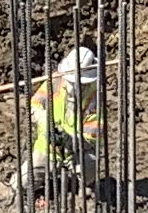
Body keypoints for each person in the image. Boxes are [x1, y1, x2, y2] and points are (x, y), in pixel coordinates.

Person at [23, 43, 99, 203]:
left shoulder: (95, 97)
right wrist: (41, 117)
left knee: (90, 164)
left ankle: (81, 183)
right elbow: (35, 103)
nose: (75, 86)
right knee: (23, 181)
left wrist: (70, 140)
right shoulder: (55, 82)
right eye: (71, 82)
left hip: (76, 152)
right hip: (48, 146)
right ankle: (38, 187)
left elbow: (92, 138)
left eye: (81, 83)